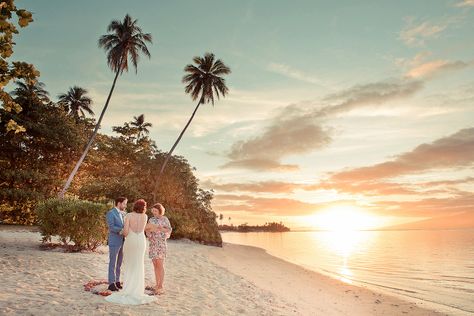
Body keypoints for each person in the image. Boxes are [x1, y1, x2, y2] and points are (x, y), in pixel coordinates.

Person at [105, 199, 156, 305]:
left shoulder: (128, 215)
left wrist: (123, 232)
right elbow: (142, 230)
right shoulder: (145, 216)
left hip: (131, 241)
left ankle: (128, 288)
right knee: (139, 264)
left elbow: (126, 232)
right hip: (141, 241)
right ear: (144, 208)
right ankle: (137, 290)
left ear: (134, 206)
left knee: (129, 264)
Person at [145, 203, 172, 295]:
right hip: (153, 243)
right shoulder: (151, 219)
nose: (154, 213)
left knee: (160, 265)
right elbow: (147, 230)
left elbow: (169, 230)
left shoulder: (165, 219)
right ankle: (156, 284)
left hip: (161, 243)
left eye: (155, 211)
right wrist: (149, 235)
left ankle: (161, 286)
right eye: (153, 211)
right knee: (155, 264)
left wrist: (161, 229)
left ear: (160, 211)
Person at [106, 197, 127, 292]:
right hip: (114, 240)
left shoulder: (124, 214)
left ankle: (117, 281)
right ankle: (111, 283)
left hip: (123, 241)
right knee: (113, 262)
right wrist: (122, 230)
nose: (125, 205)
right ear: (119, 203)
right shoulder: (111, 213)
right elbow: (111, 227)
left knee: (119, 263)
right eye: (124, 203)